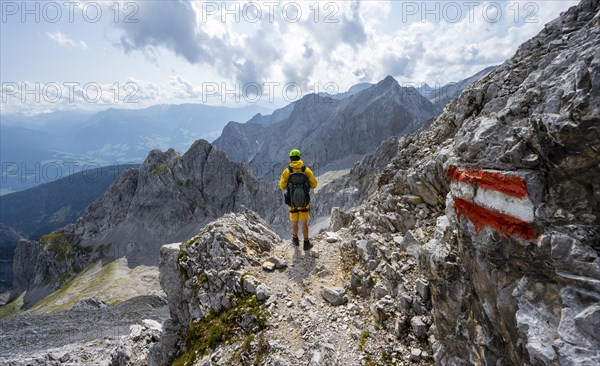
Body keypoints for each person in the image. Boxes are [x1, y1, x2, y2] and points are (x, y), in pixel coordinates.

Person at [280, 149, 318, 250]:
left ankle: (295, 239)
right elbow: (314, 184)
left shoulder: (287, 171)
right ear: (299, 157)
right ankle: (306, 243)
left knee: (294, 221)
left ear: (291, 159)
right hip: (304, 201)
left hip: (292, 202)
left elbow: (282, 186)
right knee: (304, 222)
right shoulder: (306, 170)